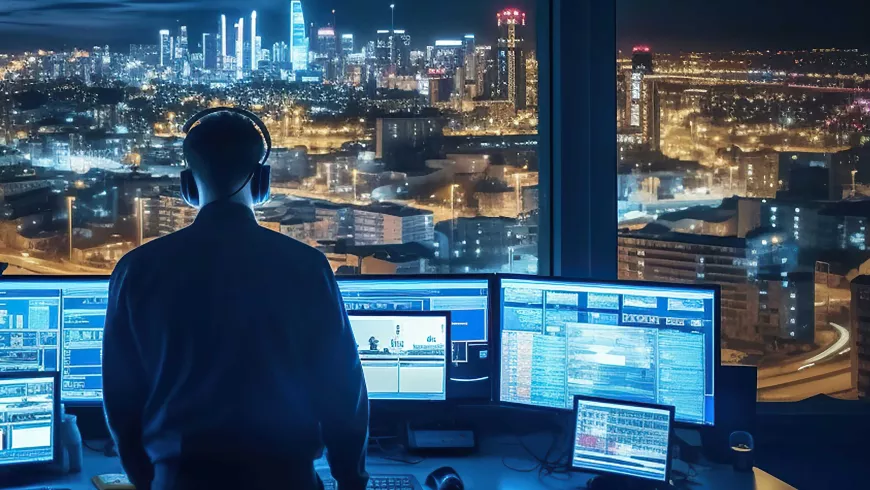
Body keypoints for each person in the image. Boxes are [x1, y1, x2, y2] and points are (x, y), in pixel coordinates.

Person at [102, 109, 369, 490]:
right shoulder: (306, 266)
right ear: (262, 180)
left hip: (178, 480)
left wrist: (147, 482)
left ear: (187, 185)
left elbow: (121, 399)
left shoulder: (136, 270)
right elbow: (343, 390)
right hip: (285, 479)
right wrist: (352, 480)